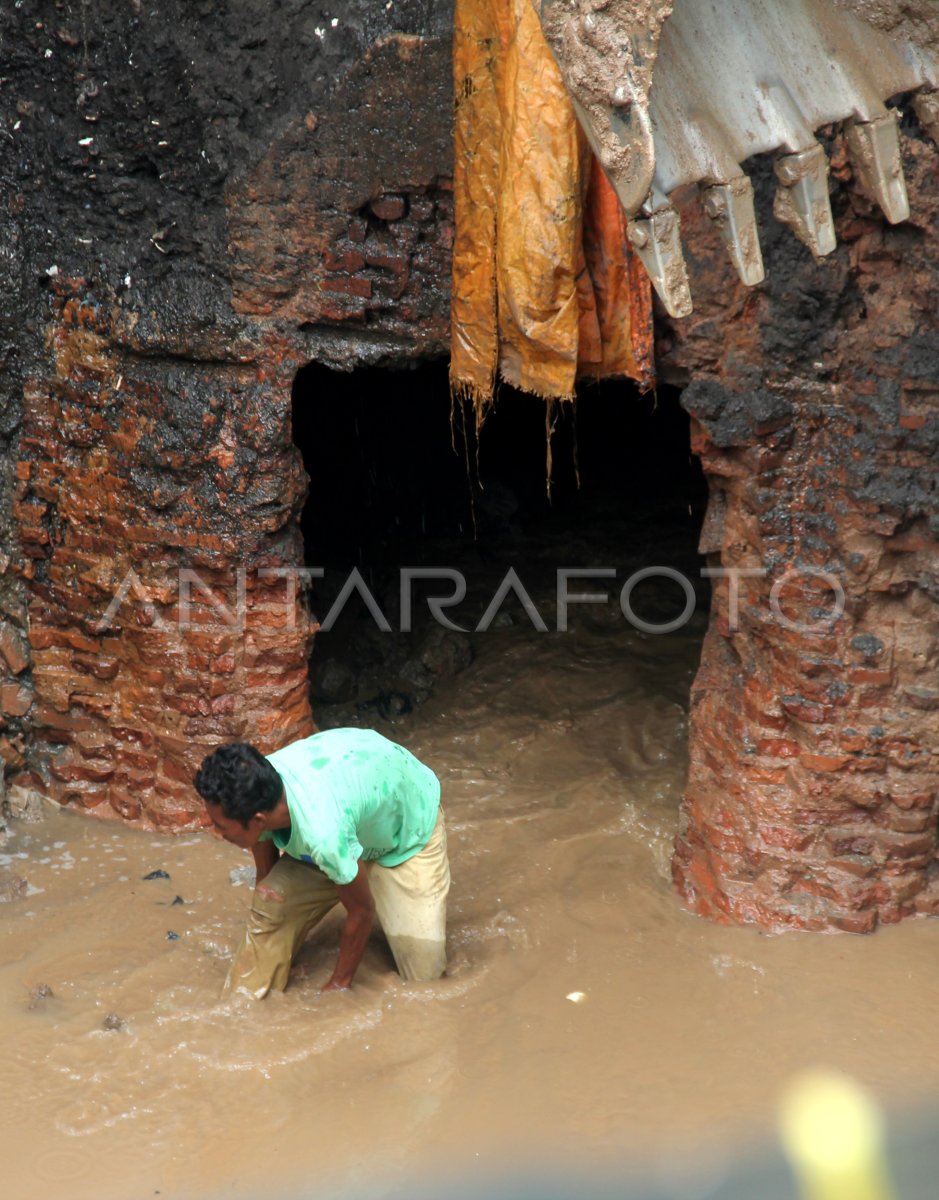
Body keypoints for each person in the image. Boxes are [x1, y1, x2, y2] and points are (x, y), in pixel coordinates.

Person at [194, 727, 450, 999]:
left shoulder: (323, 834)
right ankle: (243, 1007)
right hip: (350, 816)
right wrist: (271, 915)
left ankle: (371, 878)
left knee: (425, 983)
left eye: (221, 827)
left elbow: (362, 911)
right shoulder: (260, 786)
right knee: (271, 902)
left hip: (405, 830)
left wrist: (339, 985)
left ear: (257, 819)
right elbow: (263, 852)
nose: (217, 834)